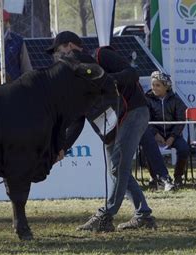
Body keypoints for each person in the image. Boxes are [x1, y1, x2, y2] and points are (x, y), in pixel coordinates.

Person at [48, 31, 157, 232]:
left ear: (71, 46)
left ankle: (105, 216)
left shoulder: (101, 56)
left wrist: (107, 80)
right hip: (111, 125)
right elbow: (77, 122)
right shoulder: (76, 80)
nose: (56, 56)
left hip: (134, 112)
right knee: (117, 170)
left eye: (58, 50)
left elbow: (132, 74)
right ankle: (143, 215)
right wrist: (61, 149)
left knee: (117, 166)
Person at [140, 71, 189, 188]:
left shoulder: (176, 100)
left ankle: (178, 176)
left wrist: (172, 137)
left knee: (184, 149)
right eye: (153, 85)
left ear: (166, 87)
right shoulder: (147, 99)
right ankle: (155, 177)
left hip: (173, 136)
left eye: (158, 85)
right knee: (146, 149)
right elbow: (146, 120)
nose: (154, 88)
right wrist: (156, 134)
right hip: (154, 136)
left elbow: (181, 121)